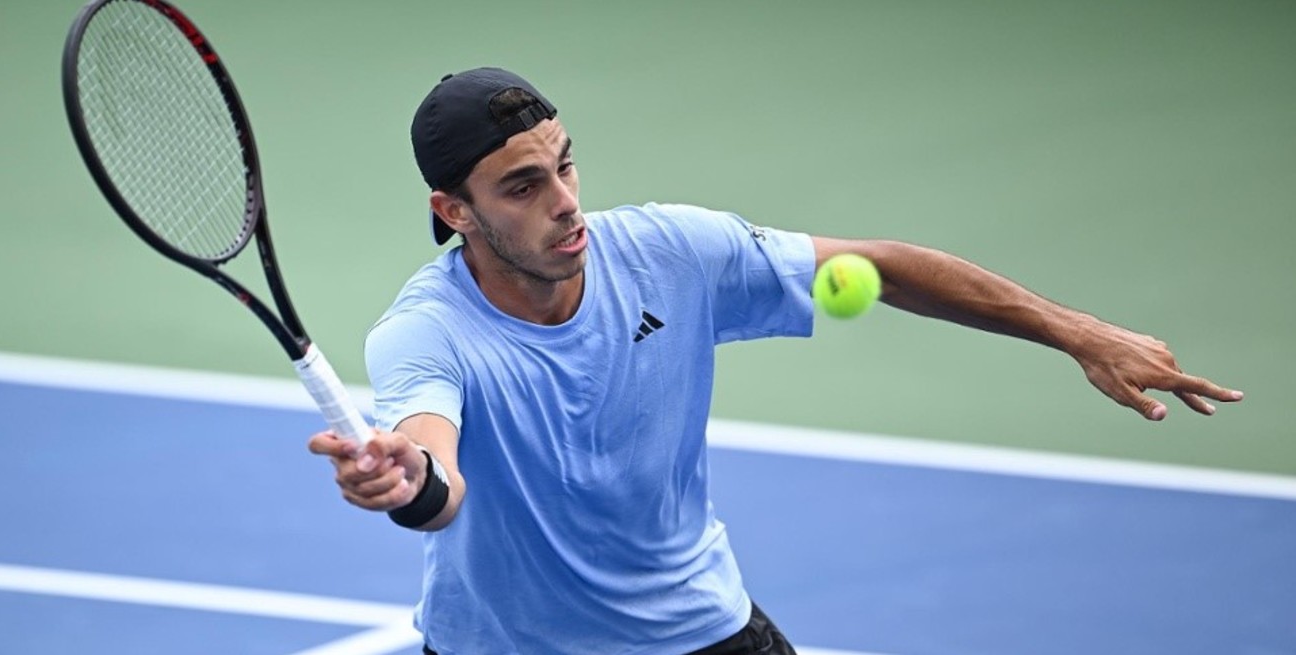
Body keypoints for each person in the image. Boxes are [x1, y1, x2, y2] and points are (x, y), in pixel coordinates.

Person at [307, 67, 1243, 655]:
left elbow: (880, 266)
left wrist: (1075, 330)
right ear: (454, 212)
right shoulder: (427, 332)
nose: (565, 200)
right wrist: (407, 479)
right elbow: (436, 474)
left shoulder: (672, 252)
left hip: (696, 628)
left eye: (565, 164)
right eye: (522, 185)